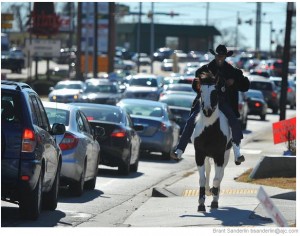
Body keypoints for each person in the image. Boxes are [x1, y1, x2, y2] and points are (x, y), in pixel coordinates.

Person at [173, 44, 250, 165]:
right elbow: (195, 85)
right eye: (218, 55)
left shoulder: (232, 71)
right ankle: (179, 149)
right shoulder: (204, 70)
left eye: (222, 56)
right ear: (215, 56)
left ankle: (237, 152)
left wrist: (234, 83)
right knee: (191, 120)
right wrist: (203, 88)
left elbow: (245, 86)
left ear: (225, 57)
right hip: (205, 102)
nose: (220, 58)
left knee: (234, 120)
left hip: (223, 102)